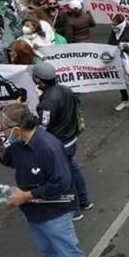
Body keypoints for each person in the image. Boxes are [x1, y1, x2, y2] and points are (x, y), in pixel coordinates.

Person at [0, 104, 105, 257]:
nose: (1, 131)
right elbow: (9, 160)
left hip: (55, 213)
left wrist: (25, 196)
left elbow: (61, 183)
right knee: (48, 253)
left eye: (3, 127)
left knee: (71, 255)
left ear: (18, 126)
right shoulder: (20, 143)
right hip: (34, 213)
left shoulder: (48, 147)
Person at [32, 62, 94, 220]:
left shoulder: (47, 102)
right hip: (70, 138)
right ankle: (84, 200)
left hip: (59, 144)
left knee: (63, 177)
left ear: (39, 80)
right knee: (73, 170)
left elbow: (43, 126)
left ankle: (74, 209)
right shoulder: (66, 90)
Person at [109, 14, 129, 112]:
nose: (112, 26)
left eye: (114, 24)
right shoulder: (114, 32)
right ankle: (125, 100)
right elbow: (109, 43)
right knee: (120, 82)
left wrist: (125, 48)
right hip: (118, 61)